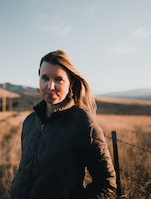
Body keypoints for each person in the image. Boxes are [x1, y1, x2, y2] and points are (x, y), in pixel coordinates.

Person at [10, 50, 116, 199]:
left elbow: (106, 184)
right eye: (45, 78)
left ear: (70, 83)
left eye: (59, 79)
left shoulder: (83, 123)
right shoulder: (30, 121)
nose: (50, 86)